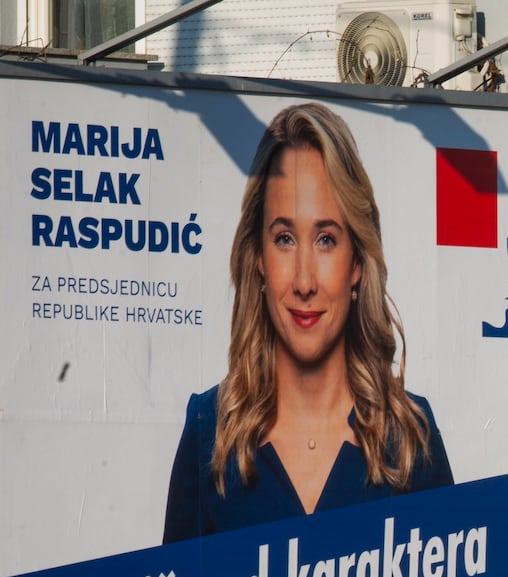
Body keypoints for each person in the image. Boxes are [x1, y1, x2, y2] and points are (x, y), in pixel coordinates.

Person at [163, 103, 451, 542]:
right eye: (283, 238)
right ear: (257, 257)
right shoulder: (210, 435)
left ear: (356, 260)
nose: (303, 281)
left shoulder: (411, 438)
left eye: (325, 240)